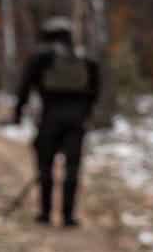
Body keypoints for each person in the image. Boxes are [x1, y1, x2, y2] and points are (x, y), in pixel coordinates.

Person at [13, 15, 101, 227]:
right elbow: (95, 90)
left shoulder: (42, 58)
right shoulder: (85, 59)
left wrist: (18, 112)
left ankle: (45, 213)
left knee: (45, 165)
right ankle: (68, 216)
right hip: (77, 120)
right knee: (72, 168)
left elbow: (25, 87)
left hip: (50, 118)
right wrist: (86, 113)